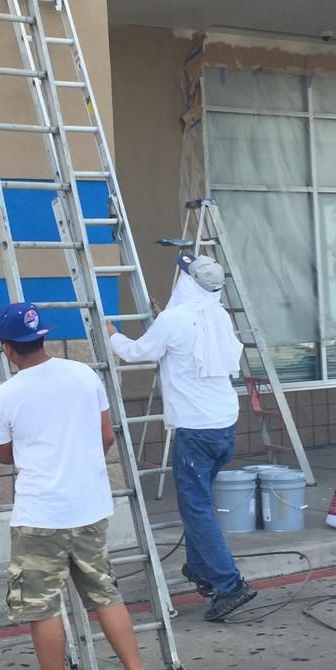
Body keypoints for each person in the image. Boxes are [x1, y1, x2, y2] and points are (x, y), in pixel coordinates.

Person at [0, 300, 164, 670]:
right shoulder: (84, 374)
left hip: (40, 515)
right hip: (89, 506)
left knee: (42, 606)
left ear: (7, 348)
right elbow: (106, 435)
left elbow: (4, 455)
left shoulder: (5, 395)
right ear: (42, 337)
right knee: (105, 593)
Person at [108, 253, 257, 622]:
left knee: (196, 507)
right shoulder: (218, 315)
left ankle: (229, 584)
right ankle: (200, 568)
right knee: (198, 502)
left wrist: (111, 334)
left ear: (188, 282)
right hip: (224, 423)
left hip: (195, 428)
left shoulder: (174, 321)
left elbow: (136, 353)